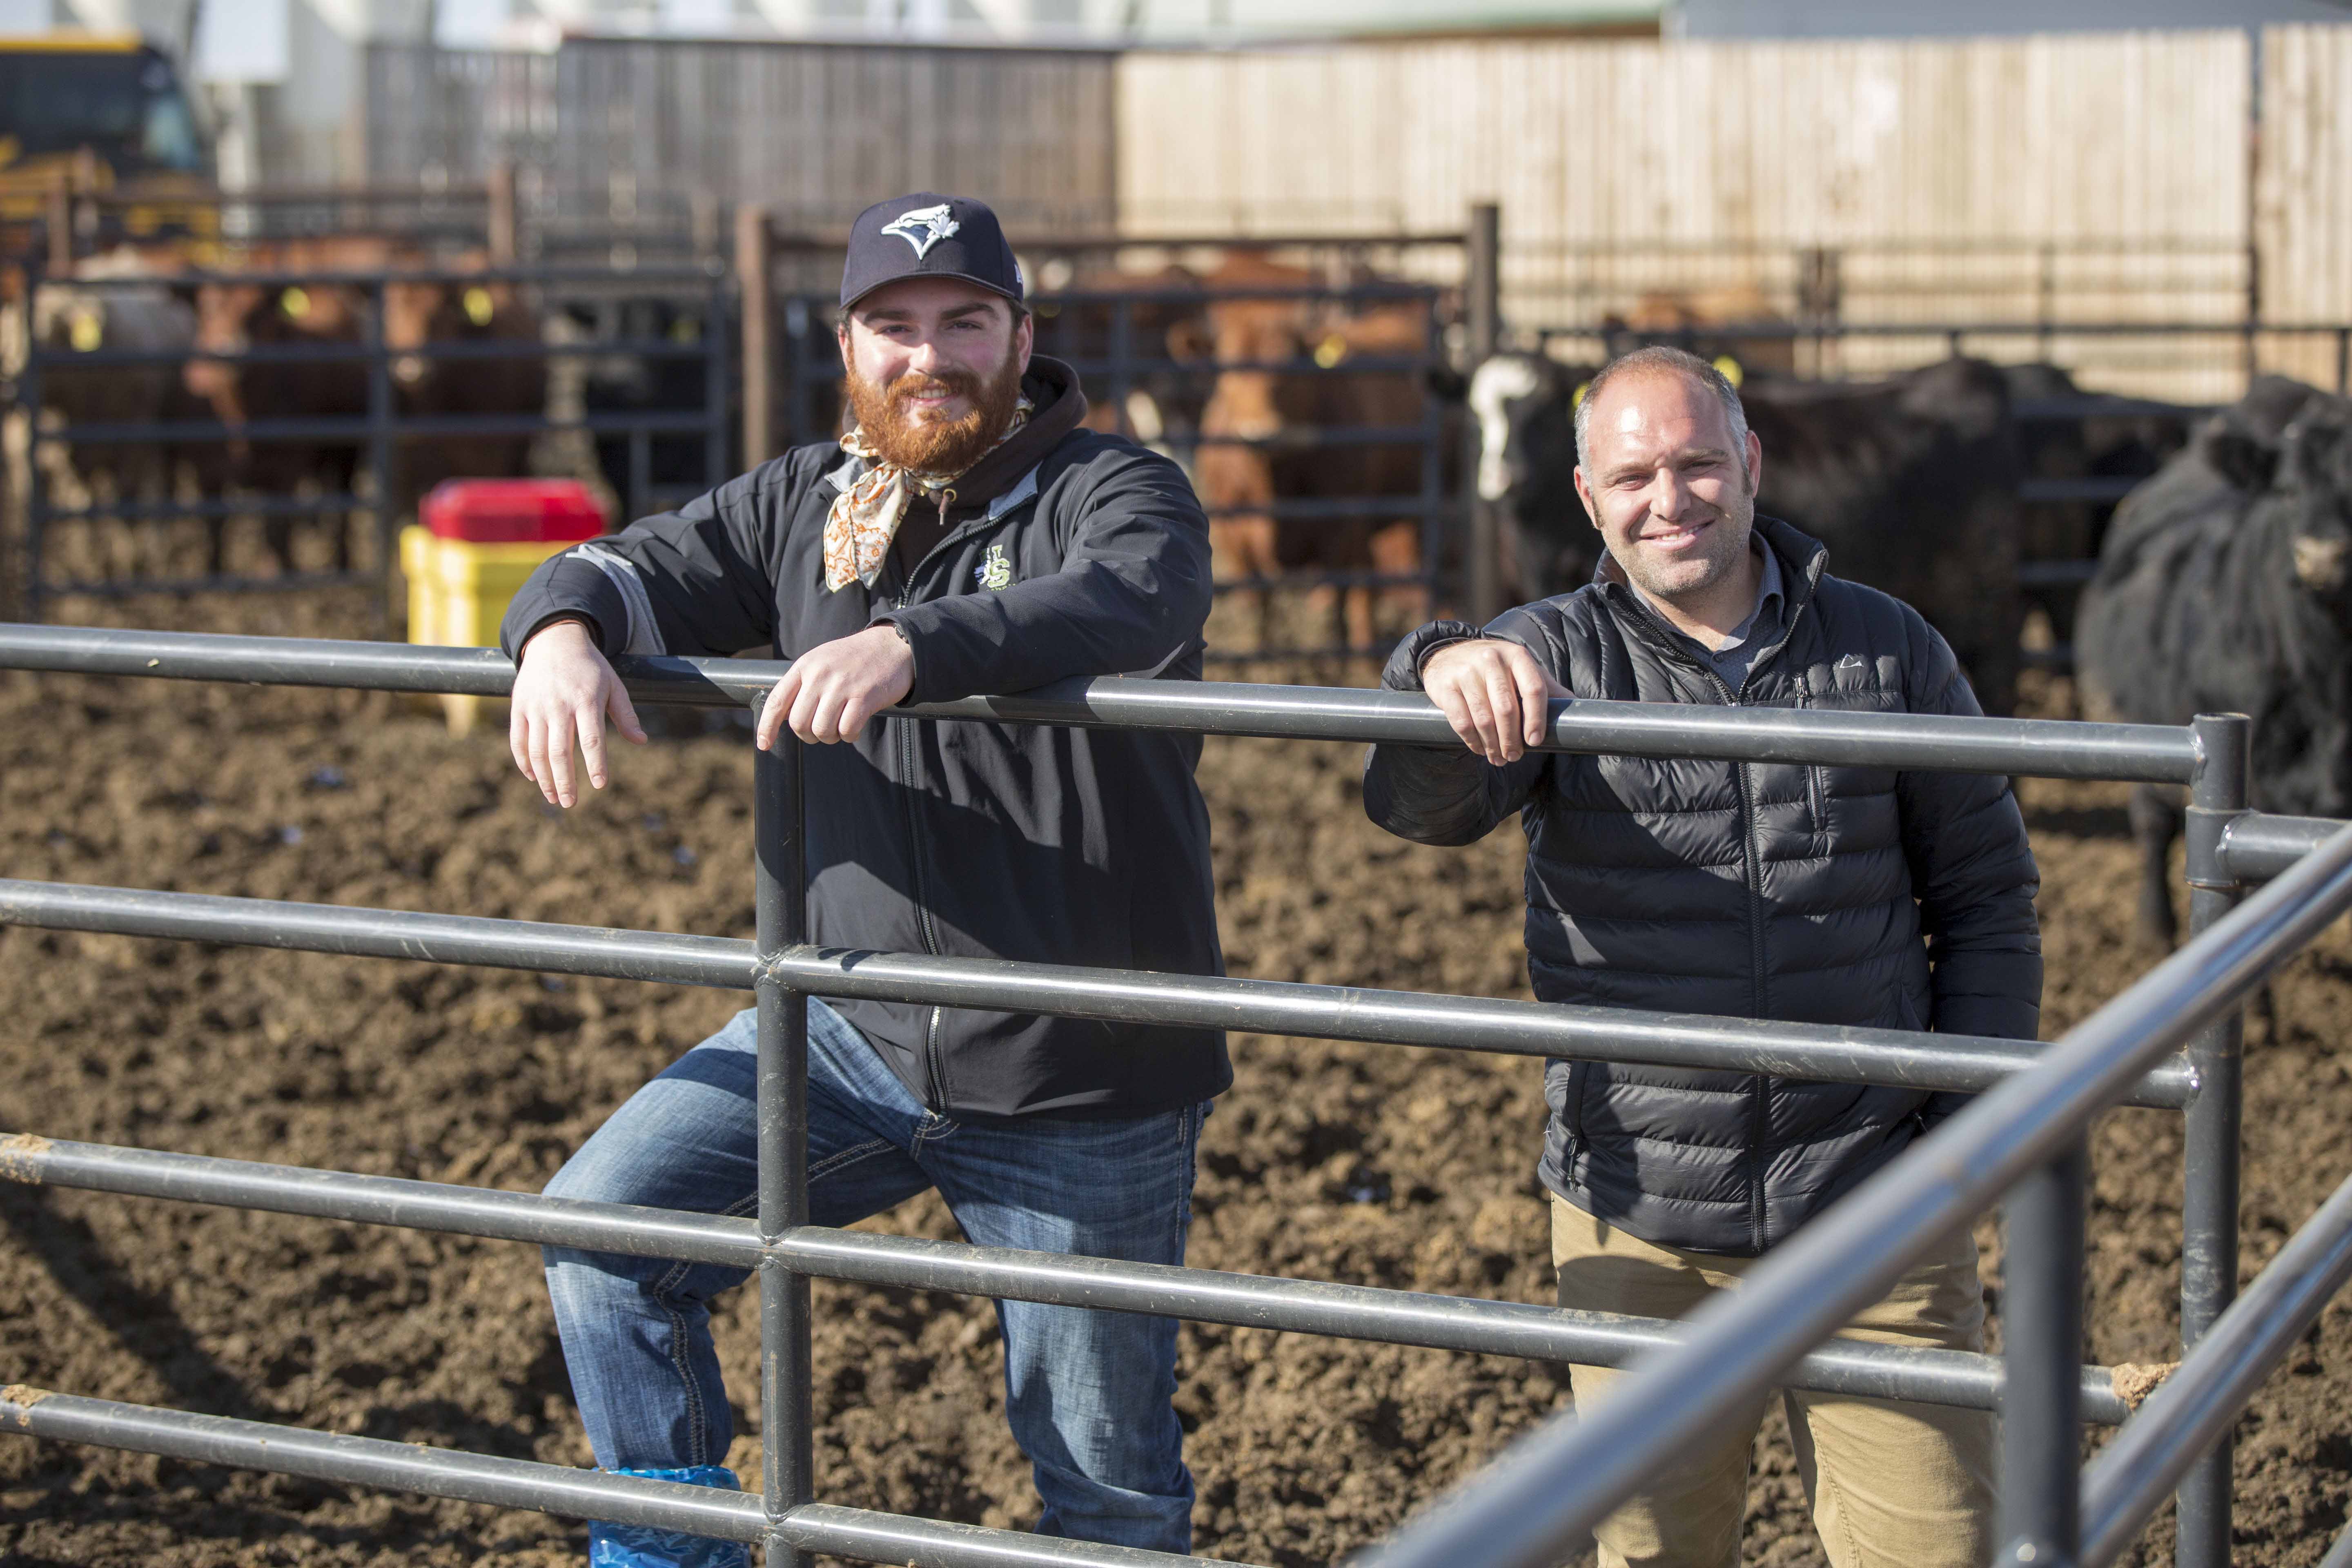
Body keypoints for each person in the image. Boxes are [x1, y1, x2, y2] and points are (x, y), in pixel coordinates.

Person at [499, 193, 1225, 1568]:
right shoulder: (812, 501)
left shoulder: (1117, 489)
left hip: (1077, 1058)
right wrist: (559, 629)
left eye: (964, 322)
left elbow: (1132, 596)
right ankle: (674, 1553)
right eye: (893, 327)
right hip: (852, 1028)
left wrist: (915, 644)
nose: (927, 357)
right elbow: (628, 562)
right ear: (848, 346)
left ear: (1023, 334)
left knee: (1103, 1477)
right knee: (603, 1231)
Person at [1363, 345, 2040, 1568]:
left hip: (1874, 1206)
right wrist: (1436, 666)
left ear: (1752, 465)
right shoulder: (1550, 655)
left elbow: (1989, 895)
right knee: (1655, 1555)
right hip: (1639, 1220)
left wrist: (1958, 1133)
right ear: (1585, 496)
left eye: (1696, 464)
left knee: (1940, 1546)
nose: (1668, 500)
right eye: (1633, 476)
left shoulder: (1887, 650)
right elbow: (1422, 808)